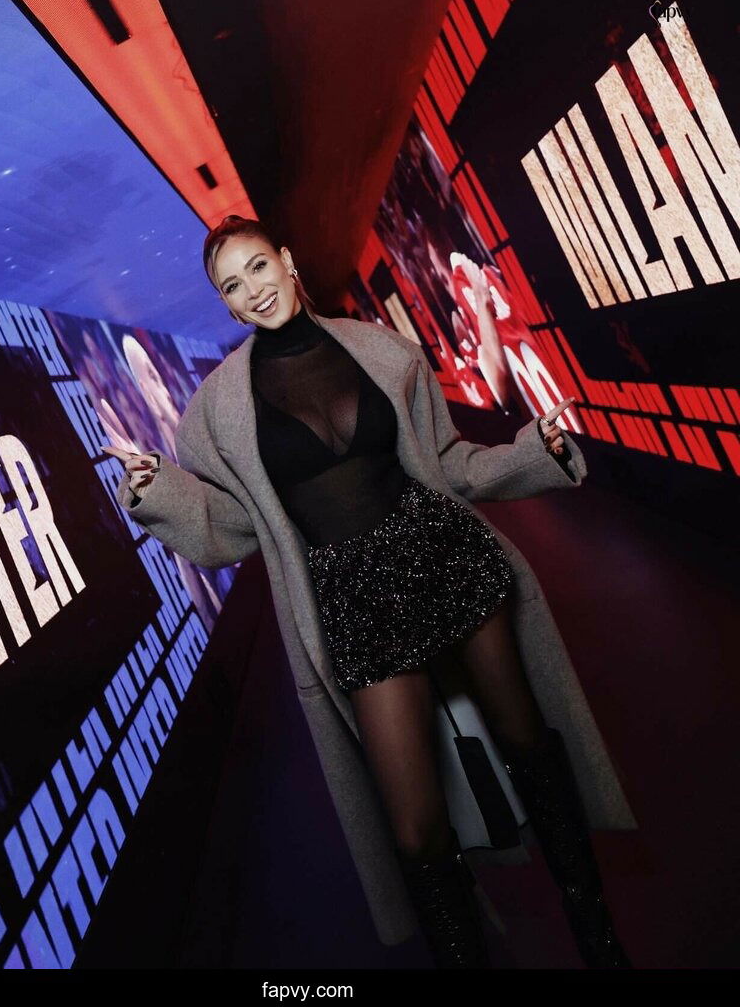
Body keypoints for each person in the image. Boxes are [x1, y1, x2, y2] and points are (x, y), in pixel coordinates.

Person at [104, 215, 633, 969]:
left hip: (444, 558)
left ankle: (596, 934)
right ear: (225, 305)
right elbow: (236, 528)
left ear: (287, 260)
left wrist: (533, 452)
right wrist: (158, 491)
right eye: (232, 285)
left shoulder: (382, 350)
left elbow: (448, 463)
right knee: (415, 829)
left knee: (528, 746)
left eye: (258, 267)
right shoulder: (214, 415)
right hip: (350, 600)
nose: (253, 289)